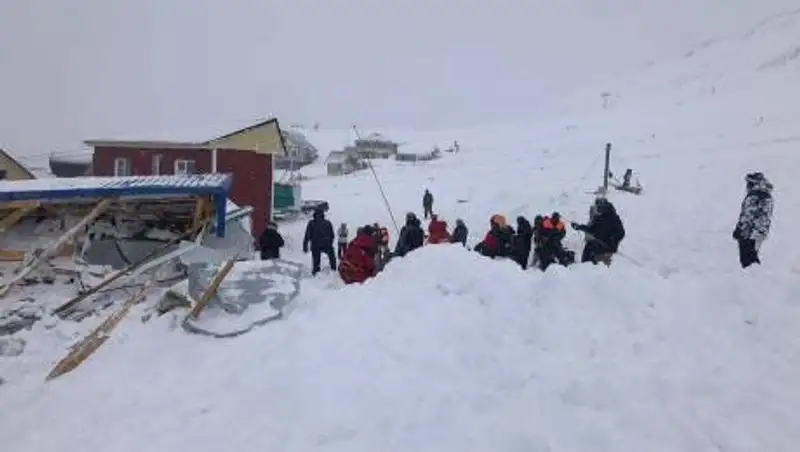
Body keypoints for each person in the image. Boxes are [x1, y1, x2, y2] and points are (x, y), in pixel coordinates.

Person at [732, 172, 774, 268]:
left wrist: (739, 229)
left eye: (749, 183)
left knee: (747, 260)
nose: (747, 186)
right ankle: (755, 273)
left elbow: (748, 215)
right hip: (760, 232)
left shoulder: (754, 195)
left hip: (748, 233)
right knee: (753, 257)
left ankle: (751, 275)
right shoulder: (767, 195)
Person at [571, 198, 625, 266]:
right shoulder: (598, 217)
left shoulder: (613, 217)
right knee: (589, 246)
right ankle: (585, 266)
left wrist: (612, 240)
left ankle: (591, 266)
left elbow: (621, 233)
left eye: (599, 207)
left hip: (609, 246)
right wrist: (579, 227)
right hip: (598, 243)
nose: (598, 209)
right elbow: (591, 230)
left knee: (592, 248)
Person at [303, 208, 336, 275]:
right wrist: (330, 243)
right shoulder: (328, 223)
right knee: (332, 256)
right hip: (326, 243)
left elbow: (307, 235)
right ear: (323, 215)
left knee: (316, 260)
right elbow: (332, 235)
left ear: (314, 215)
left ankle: (316, 271)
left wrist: (305, 246)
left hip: (315, 244)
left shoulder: (311, 223)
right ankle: (333, 269)